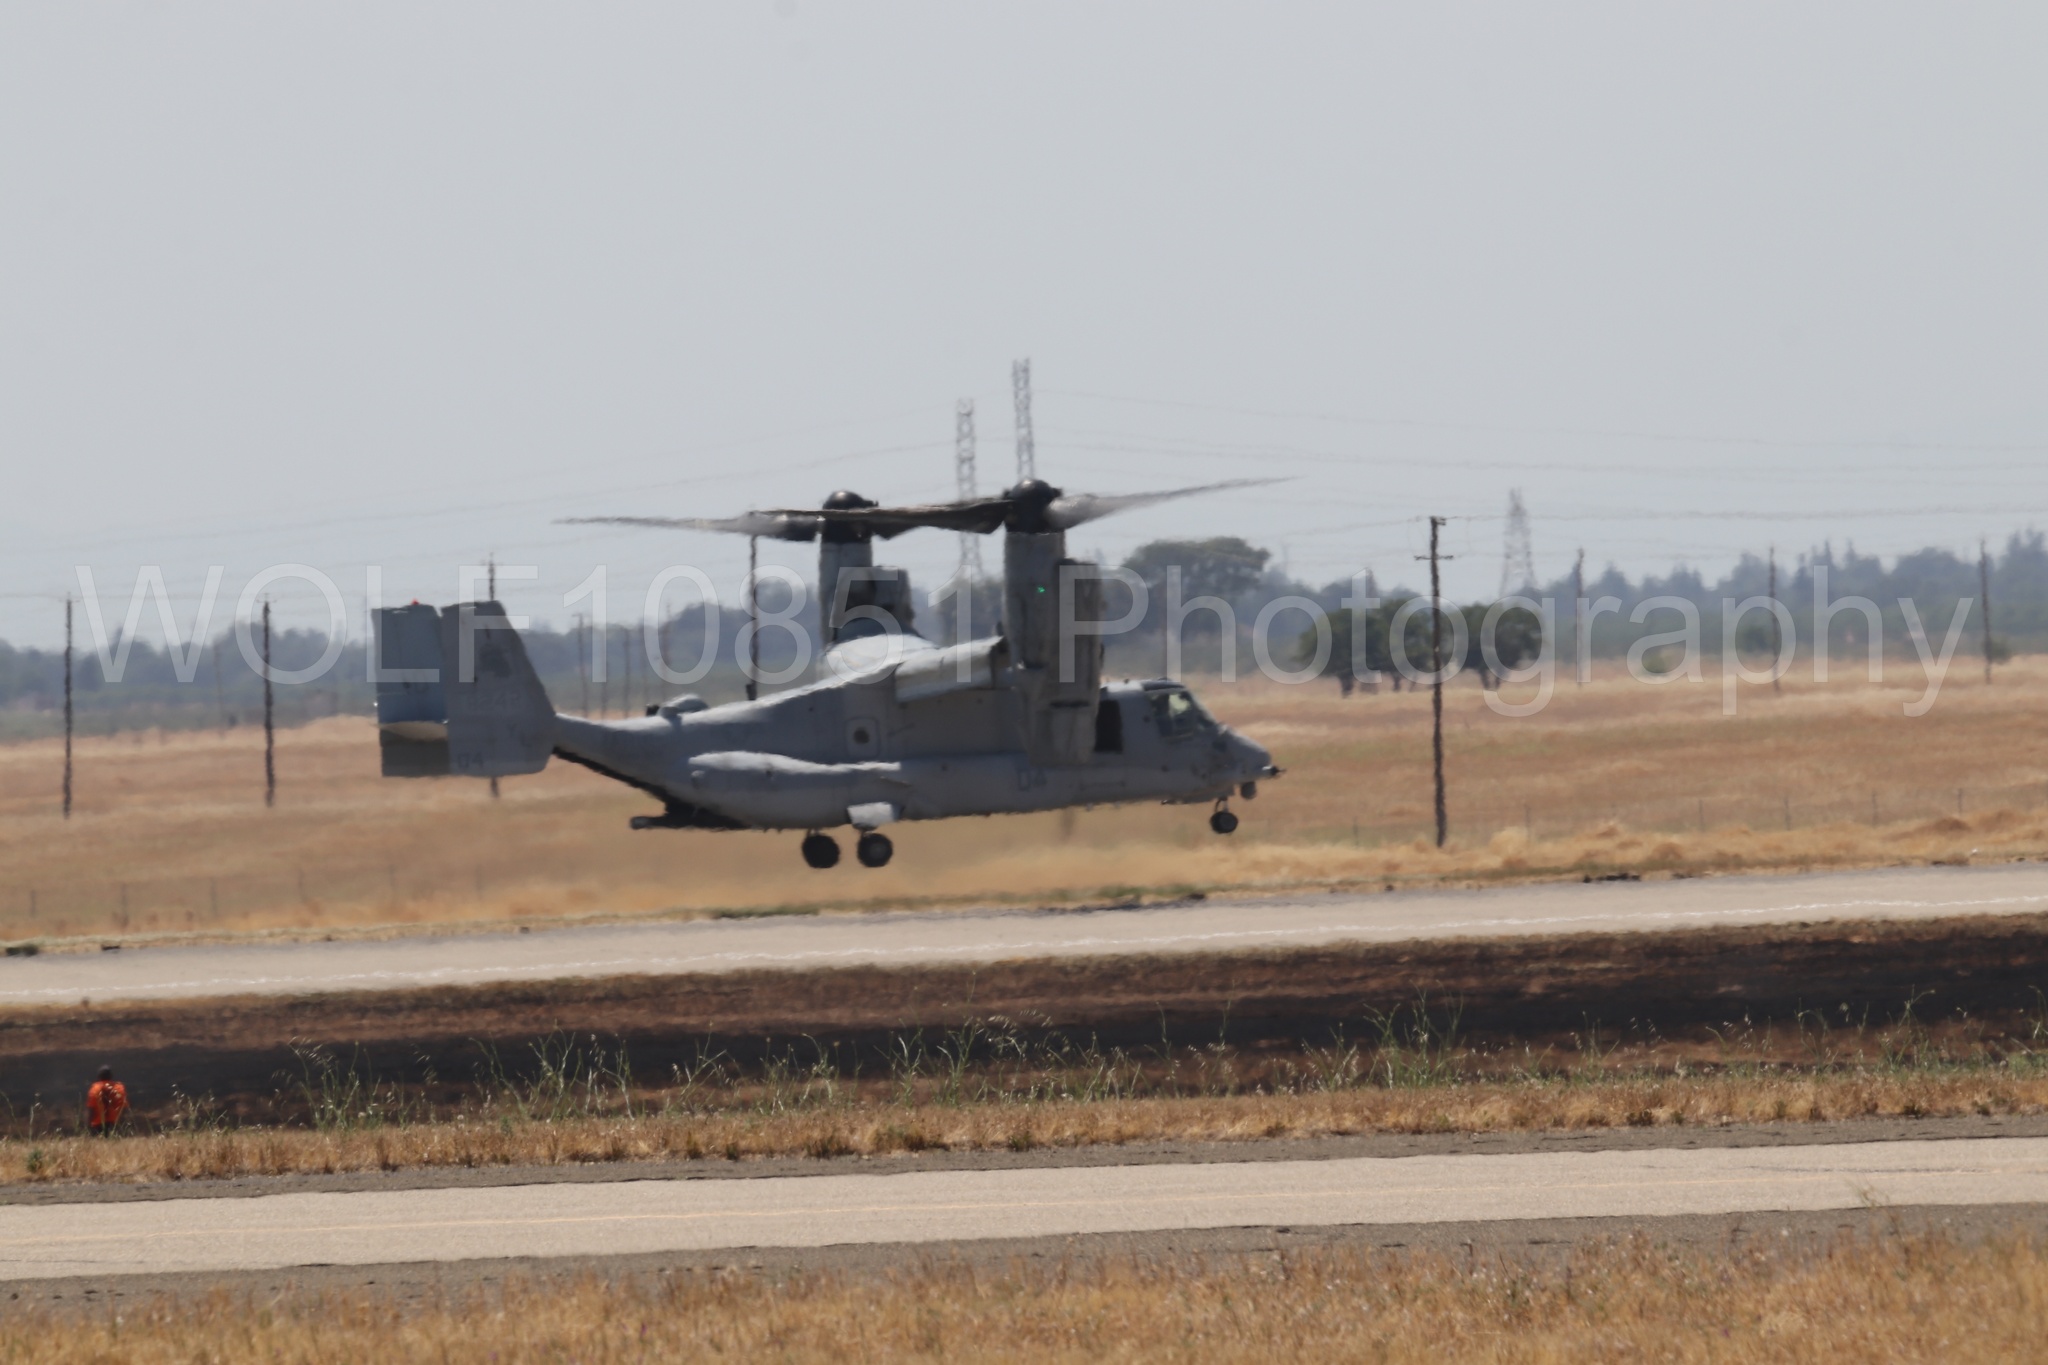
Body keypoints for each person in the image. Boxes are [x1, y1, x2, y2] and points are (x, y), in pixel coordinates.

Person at [85, 1066, 127, 1136]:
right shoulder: (119, 1088)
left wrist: (88, 1124)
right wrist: (122, 1123)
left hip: (98, 1124)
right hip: (114, 1124)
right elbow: (123, 1108)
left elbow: (91, 1109)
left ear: (99, 1077)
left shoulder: (94, 1089)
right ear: (111, 1076)